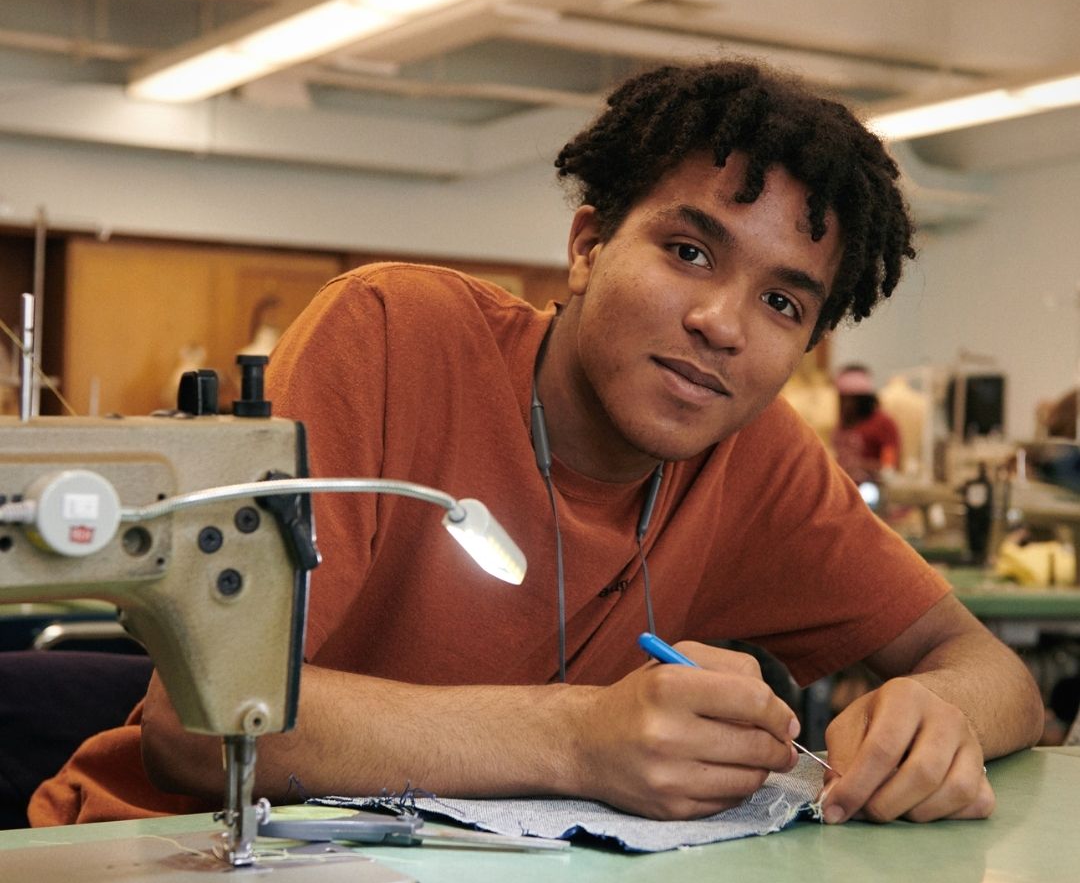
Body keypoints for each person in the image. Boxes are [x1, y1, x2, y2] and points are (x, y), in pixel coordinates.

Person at [31, 59, 1042, 830]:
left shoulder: (758, 461)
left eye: (782, 301)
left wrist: (938, 713)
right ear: (590, 243)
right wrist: (577, 739)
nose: (724, 323)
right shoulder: (394, 336)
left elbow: (997, 672)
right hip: (159, 866)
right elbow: (202, 727)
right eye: (688, 252)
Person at [831, 364, 902, 486]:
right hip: (842, 488)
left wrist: (860, 465)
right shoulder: (844, 422)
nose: (846, 405)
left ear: (863, 400)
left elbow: (889, 465)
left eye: (851, 400)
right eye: (843, 399)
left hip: (870, 492)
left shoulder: (884, 424)